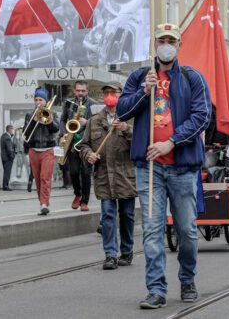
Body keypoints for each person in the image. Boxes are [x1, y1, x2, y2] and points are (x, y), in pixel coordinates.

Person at [117, 23, 211, 308]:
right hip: (150, 168)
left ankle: (187, 279)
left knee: (187, 230)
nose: (166, 44)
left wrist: (171, 141)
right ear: (154, 44)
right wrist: (143, 93)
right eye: (162, 40)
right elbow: (122, 111)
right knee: (152, 229)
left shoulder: (192, 78)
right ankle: (156, 289)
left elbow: (202, 115)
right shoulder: (138, 77)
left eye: (172, 40)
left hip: (182, 167)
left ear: (179, 45)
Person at [78, 82, 135, 270]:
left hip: (125, 175)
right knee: (108, 215)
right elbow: (84, 145)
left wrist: (127, 129)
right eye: (107, 93)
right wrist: (89, 155)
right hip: (103, 176)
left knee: (127, 215)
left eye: (113, 92)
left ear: (121, 95)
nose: (110, 95)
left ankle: (126, 251)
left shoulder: (130, 116)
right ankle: (110, 254)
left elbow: (141, 143)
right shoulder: (95, 120)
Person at [60, 80, 97, 210]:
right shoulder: (69, 103)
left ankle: (84, 201)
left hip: (87, 145)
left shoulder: (93, 104)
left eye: (83, 91)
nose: (80, 93)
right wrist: (63, 133)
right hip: (72, 142)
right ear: (75, 91)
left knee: (86, 174)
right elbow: (62, 120)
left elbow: (99, 124)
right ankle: (77, 194)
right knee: (74, 172)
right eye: (78, 90)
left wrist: (87, 122)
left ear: (87, 91)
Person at [24, 87, 59, 216]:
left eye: (41, 100)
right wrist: (34, 120)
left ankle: (44, 203)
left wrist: (46, 118)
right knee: (38, 179)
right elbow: (26, 132)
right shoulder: (30, 114)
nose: (38, 102)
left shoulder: (52, 113)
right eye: (36, 100)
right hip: (34, 149)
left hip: (48, 149)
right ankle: (42, 203)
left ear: (45, 101)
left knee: (45, 177)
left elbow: (55, 129)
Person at [0, 125, 16, 190]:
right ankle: (5, 186)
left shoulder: (3, 136)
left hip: (4, 157)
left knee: (6, 171)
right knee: (7, 172)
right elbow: (9, 149)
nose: (13, 131)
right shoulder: (7, 138)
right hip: (7, 158)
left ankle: (5, 185)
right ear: (9, 129)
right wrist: (12, 156)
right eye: (12, 129)